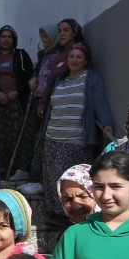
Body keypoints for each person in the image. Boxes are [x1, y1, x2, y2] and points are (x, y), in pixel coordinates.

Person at [41, 42, 114, 221]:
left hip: (76, 140)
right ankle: (58, 214)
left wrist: (106, 123)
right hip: (53, 137)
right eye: (71, 56)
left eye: (79, 57)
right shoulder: (60, 80)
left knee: (74, 182)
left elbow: (100, 102)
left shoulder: (91, 79)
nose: (74, 60)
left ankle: (76, 216)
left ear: (86, 60)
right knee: (53, 179)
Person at [0, 25, 33, 174]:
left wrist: (17, 92)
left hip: (16, 102)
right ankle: (0, 169)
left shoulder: (22, 56)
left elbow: (28, 76)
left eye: (9, 37)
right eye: (3, 36)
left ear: (14, 40)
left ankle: (16, 169)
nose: (6, 39)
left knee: (16, 135)